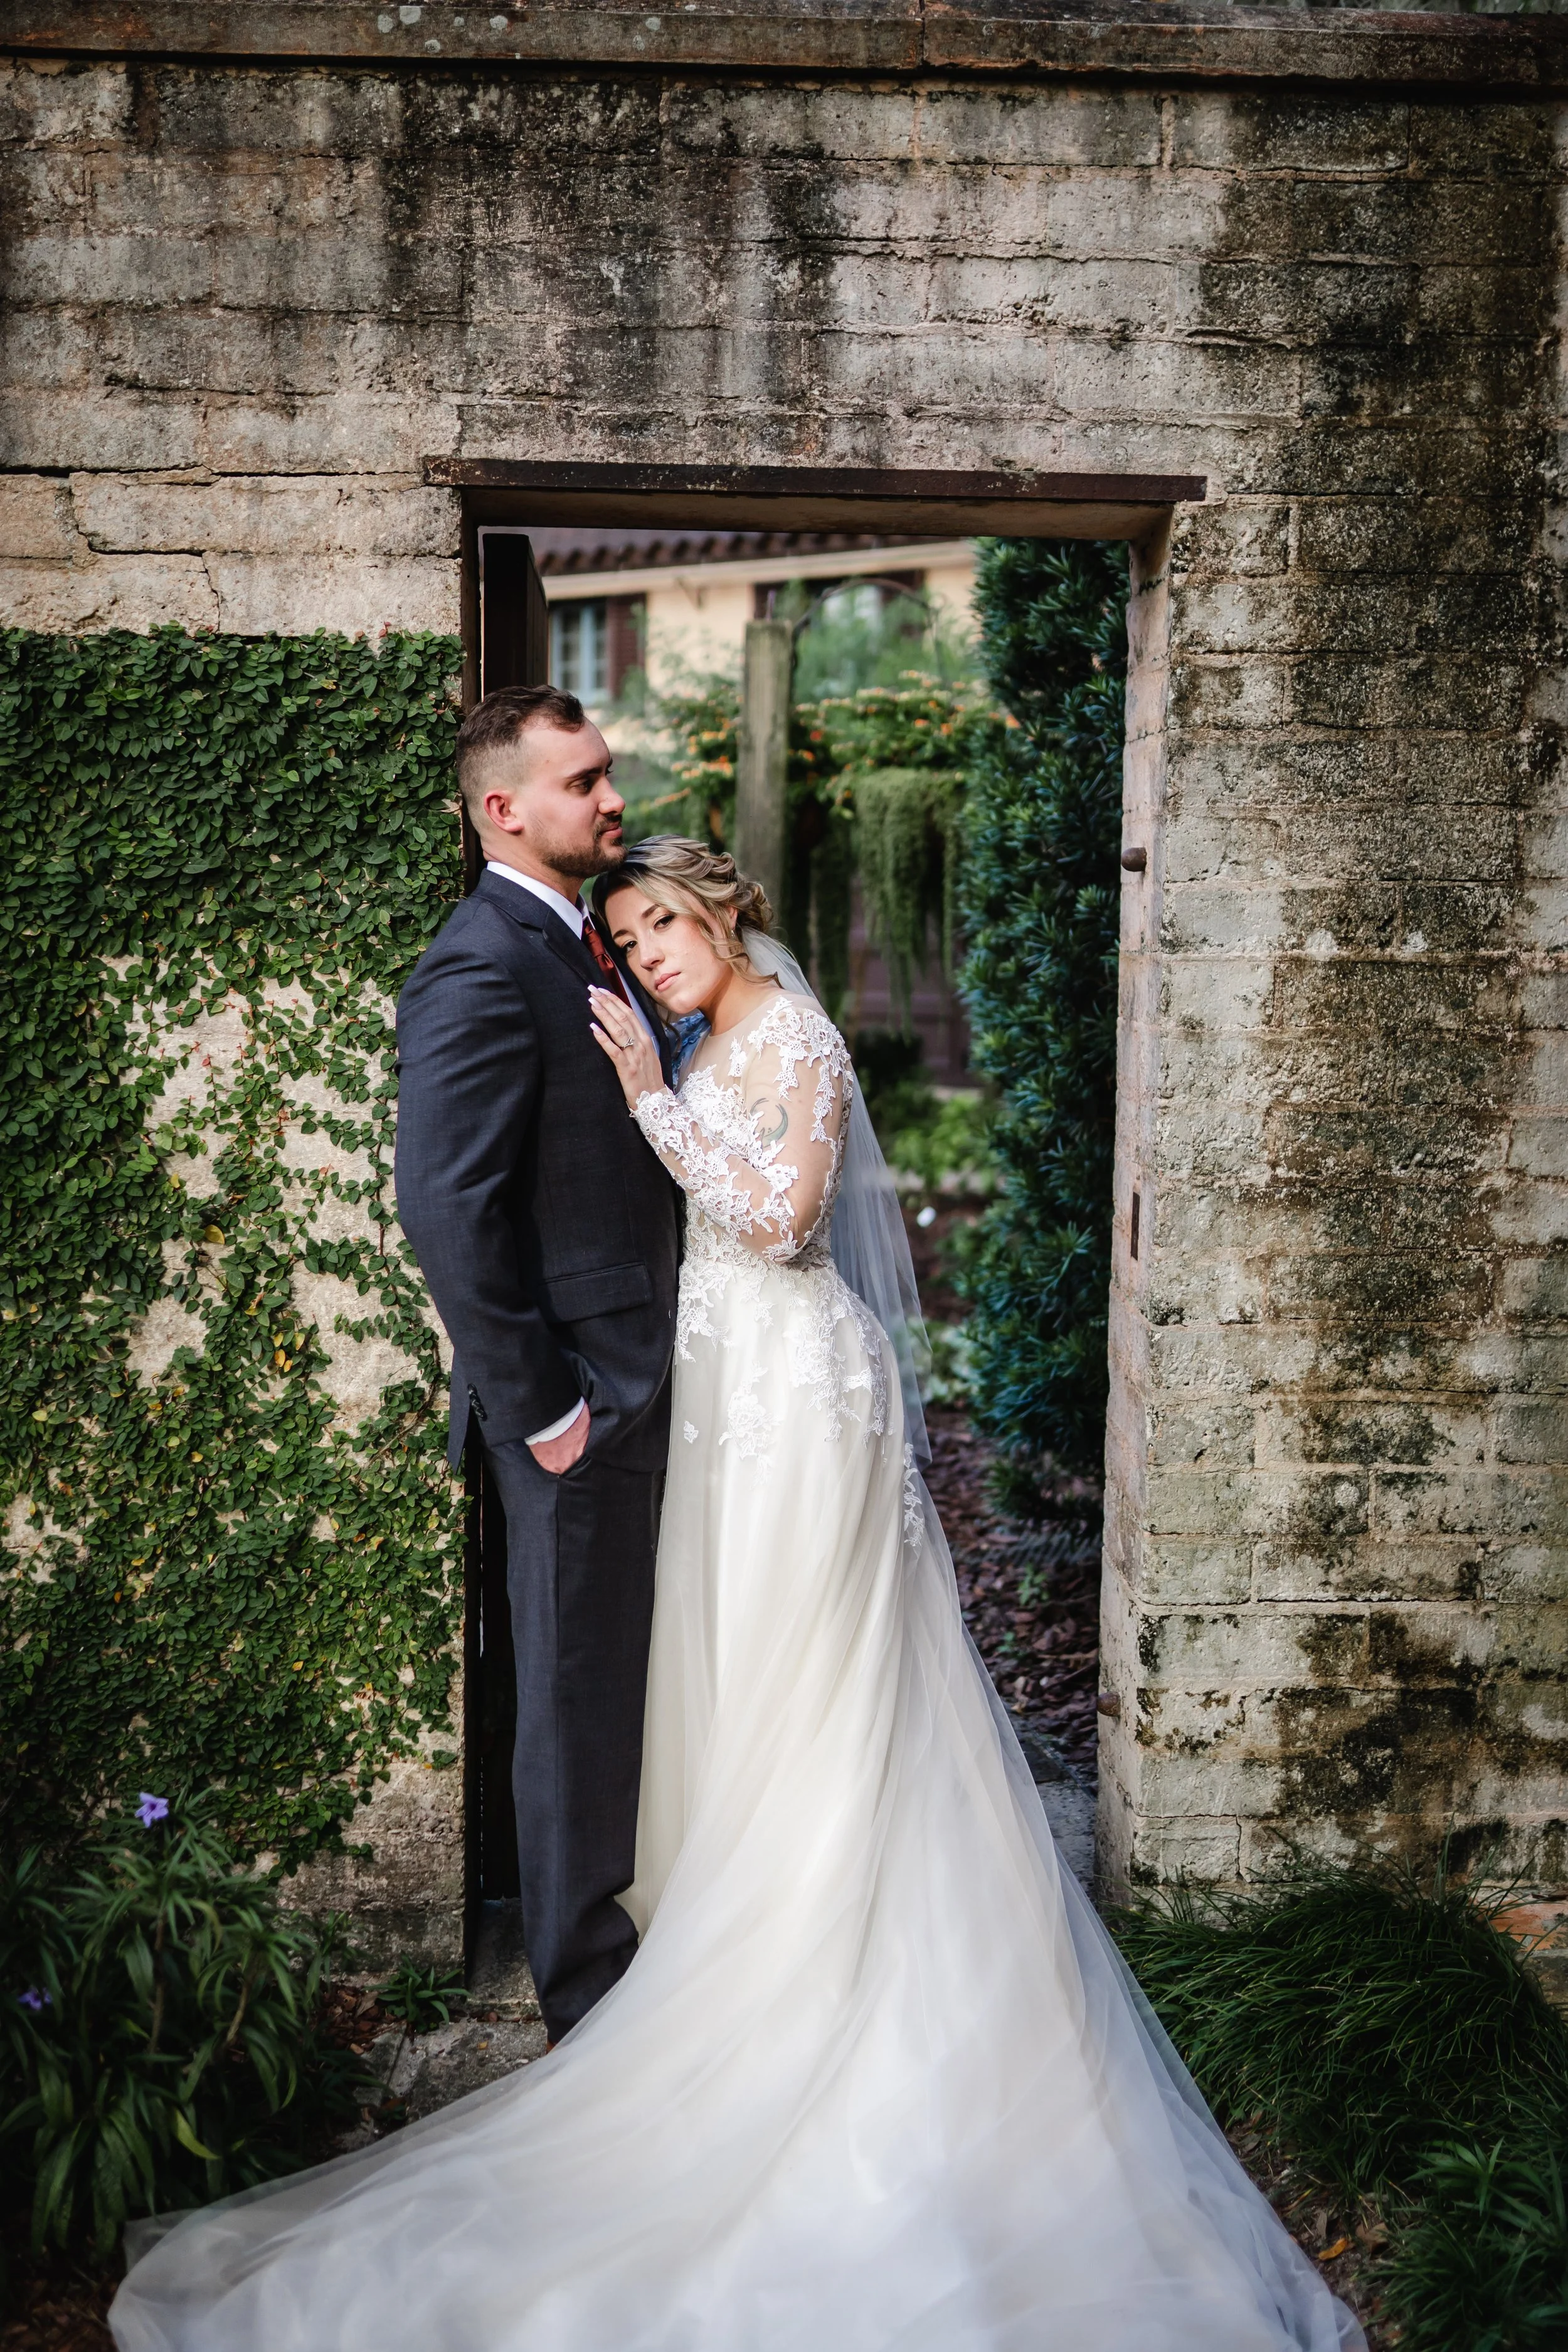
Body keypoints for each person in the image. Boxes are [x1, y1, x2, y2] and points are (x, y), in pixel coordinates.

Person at [110, 840, 1362, 2352]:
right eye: (626, 935)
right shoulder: (703, 1031)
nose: (644, 952)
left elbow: (777, 1221)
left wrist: (646, 1093)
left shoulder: (796, 1037)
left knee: (812, 1678)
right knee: (721, 1668)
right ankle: (712, 1917)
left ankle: (813, 1959)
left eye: (661, 924)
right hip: (709, 1393)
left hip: (788, 1394)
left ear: (722, 915)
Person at [391, 684, 679, 2047]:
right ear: (503, 808)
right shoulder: (478, 961)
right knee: (570, 1699)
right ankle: (590, 2007)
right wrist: (547, 1405)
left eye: (608, 774)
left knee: (624, 1680)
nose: (611, 799)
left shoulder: (583, 940)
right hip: (579, 1401)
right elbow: (449, 1209)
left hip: (651, 1373)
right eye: (584, 781)